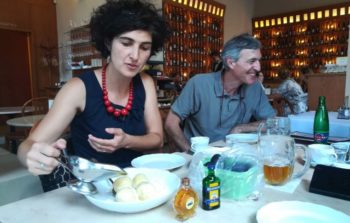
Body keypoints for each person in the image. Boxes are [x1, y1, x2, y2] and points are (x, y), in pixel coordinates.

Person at [17, 0, 170, 181]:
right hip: (93, 188)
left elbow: (157, 139)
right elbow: (28, 145)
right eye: (126, 43)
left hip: (136, 182)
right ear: (108, 42)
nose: (135, 56)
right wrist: (31, 157)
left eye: (144, 47)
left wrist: (126, 141)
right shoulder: (78, 88)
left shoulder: (145, 82)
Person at [165, 33, 276, 152]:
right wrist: (190, 153)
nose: (258, 67)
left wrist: (241, 128)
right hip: (201, 159)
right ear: (231, 63)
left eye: (259, 60)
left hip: (235, 156)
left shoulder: (255, 88)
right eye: (252, 61)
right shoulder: (199, 84)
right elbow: (171, 123)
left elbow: (273, 123)